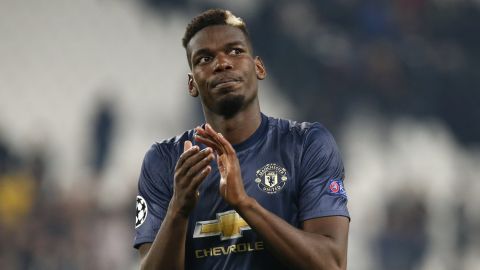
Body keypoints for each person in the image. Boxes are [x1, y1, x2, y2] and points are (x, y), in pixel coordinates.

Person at [133, 9, 350, 270]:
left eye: (235, 51)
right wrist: (178, 209)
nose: (222, 63)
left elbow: (332, 264)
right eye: (205, 58)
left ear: (258, 67)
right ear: (192, 84)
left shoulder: (306, 145)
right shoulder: (165, 161)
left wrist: (244, 203)